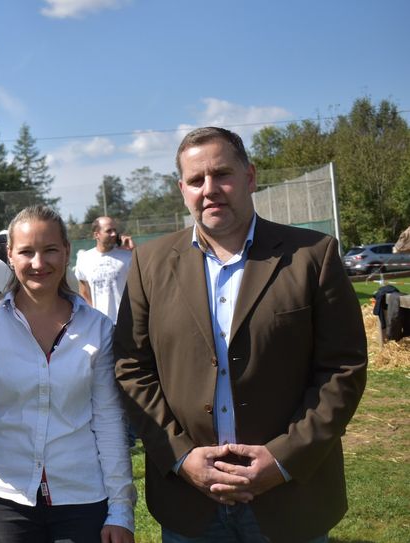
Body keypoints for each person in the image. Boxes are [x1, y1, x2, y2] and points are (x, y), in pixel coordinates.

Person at [113, 127, 367, 542]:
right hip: (190, 505)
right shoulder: (149, 264)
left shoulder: (311, 256)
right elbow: (131, 368)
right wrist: (181, 457)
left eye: (222, 174)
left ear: (249, 177)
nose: (209, 189)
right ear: (182, 189)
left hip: (289, 500)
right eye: (196, 180)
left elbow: (343, 368)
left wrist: (282, 459)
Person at [0, 205, 135, 543]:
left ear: (66, 251)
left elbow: (109, 423)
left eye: (50, 249)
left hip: (82, 498)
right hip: (3, 501)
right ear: (10, 255)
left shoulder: (98, 329)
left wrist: (121, 510)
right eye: (27, 252)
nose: (39, 263)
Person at [73, 216, 133, 323]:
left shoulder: (127, 257)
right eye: (109, 231)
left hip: (125, 322)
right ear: (97, 235)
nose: (114, 234)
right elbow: (84, 293)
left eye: (114, 230)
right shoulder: (84, 259)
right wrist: (94, 316)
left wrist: (133, 250)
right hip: (99, 323)